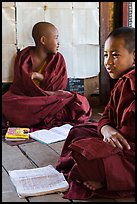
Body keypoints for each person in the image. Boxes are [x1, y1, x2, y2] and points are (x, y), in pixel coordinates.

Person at [56, 27, 135, 200]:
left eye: (115, 55)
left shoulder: (131, 83)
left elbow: (128, 139)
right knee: (78, 131)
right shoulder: (121, 83)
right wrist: (107, 130)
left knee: (89, 158)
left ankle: (109, 177)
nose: (108, 62)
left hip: (129, 148)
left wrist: (112, 139)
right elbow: (106, 115)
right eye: (106, 55)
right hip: (117, 138)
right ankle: (106, 173)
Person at [2, 22, 91, 130]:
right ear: (43, 40)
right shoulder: (24, 56)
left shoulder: (58, 59)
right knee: (6, 100)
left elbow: (59, 87)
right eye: (56, 38)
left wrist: (38, 76)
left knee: (80, 103)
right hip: (30, 99)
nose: (59, 43)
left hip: (50, 99)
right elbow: (19, 86)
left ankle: (35, 116)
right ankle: (40, 115)